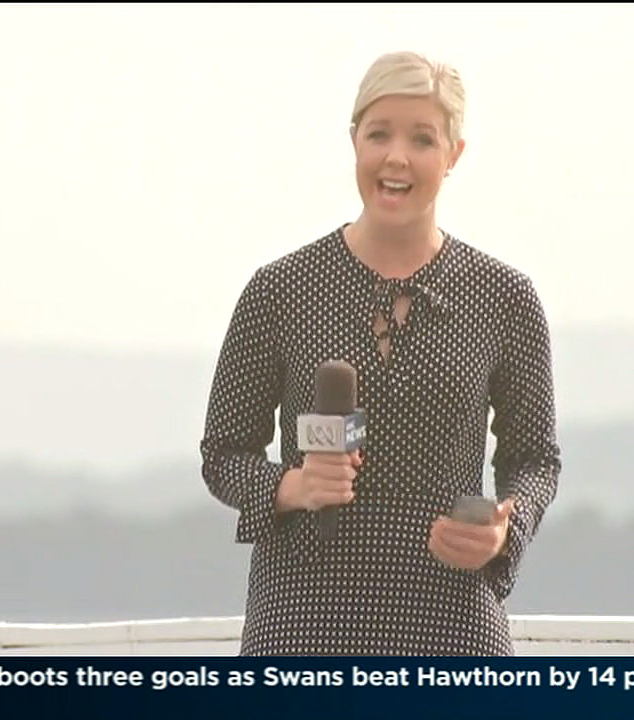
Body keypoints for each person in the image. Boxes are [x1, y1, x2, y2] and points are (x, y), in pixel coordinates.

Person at [200, 50, 561, 656]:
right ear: (354, 142)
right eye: (379, 135)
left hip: (453, 631)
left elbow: (536, 459)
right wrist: (293, 486)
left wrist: (505, 527)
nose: (397, 157)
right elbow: (223, 454)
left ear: (453, 155)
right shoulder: (281, 290)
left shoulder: (504, 297)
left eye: (422, 139)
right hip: (301, 630)